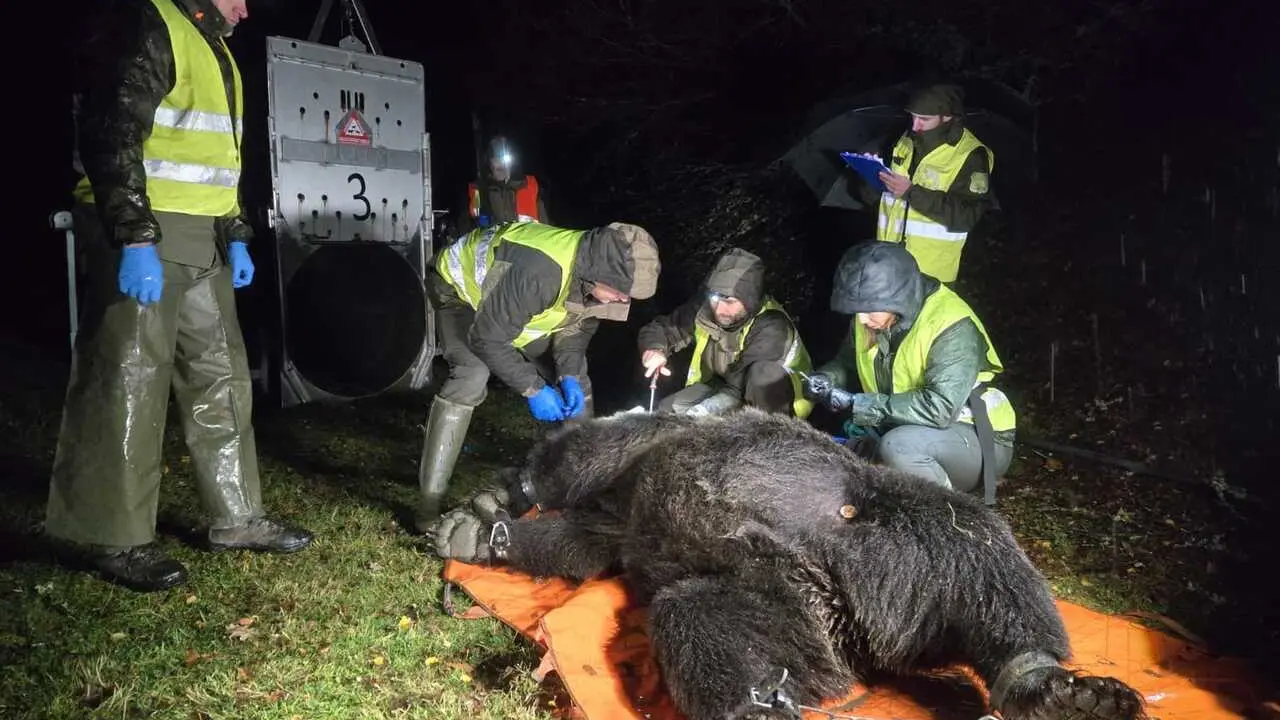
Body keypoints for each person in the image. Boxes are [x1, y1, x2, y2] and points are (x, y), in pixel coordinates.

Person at [47, 0, 313, 593]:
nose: (246, 10)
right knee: (130, 377)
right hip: (145, 230)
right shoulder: (146, 22)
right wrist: (135, 236)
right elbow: (113, 131)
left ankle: (237, 517)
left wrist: (236, 232)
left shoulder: (214, 47)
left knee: (222, 375)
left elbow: (219, 160)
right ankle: (117, 537)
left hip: (203, 237)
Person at [416, 220, 661, 530]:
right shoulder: (541, 273)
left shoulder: (598, 279)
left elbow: (574, 330)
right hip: (459, 292)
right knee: (472, 373)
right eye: (620, 292)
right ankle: (428, 507)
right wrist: (533, 389)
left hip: (515, 310)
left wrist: (568, 374)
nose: (624, 300)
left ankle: (577, 494)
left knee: (577, 379)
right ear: (597, 274)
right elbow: (487, 338)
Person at [802, 242, 1016, 502]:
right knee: (849, 453)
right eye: (857, 310)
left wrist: (860, 403)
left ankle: (949, 513)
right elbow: (846, 363)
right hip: (908, 427)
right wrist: (827, 378)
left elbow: (939, 408)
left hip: (977, 438)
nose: (861, 319)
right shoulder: (871, 316)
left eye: (869, 310)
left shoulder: (952, 325)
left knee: (898, 446)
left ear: (898, 300)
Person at [636, 247, 813, 418]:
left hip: (779, 396)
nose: (719, 309)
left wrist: (699, 414)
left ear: (749, 299)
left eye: (730, 301)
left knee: (762, 375)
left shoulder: (772, 325)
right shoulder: (705, 309)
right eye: (715, 298)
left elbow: (738, 390)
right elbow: (663, 328)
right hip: (722, 382)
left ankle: (771, 433)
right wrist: (654, 349)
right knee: (667, 411)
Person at [870, 83, 994, 283]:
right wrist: (871, 176)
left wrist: (911, 192)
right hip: (888, 264)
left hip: (931, 274)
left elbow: (967, 216)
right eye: (913, 117)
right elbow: (879, 201)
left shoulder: (971, 156)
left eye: (924, 119)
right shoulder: (905, 140)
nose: (914, 126)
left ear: (947, 117)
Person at [465, 135, 550, 230]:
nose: (500, 162)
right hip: (495, 239)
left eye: (504, 159)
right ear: (489, 162)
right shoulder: (478, 190)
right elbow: (471, 224)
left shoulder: (529, 185)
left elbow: (546, 227)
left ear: (512, 161)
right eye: (495, 158)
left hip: (527, 238)